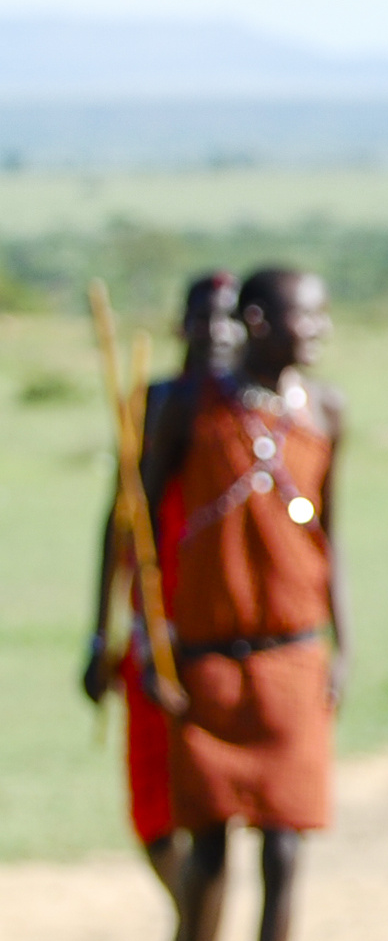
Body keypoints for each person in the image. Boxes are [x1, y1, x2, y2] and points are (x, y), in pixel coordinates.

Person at [146, 268, 351, 941]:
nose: (319, 329)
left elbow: (332, 534)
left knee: (287, 853)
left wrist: (345, 643)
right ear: (261, 322)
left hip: (294, 660)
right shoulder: (190, 408)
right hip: (205, 664)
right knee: (208, 854)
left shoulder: (326, 412)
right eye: (305, 316)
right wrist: (140, 638)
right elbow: (136, 521)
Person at [82, 272, 241, 902]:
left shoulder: (251, 411)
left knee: (211, 804)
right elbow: (120, 523)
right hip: (155, 627)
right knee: (153, 806)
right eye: (206, 317)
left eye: (232, 318)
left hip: (225, 633)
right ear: (183, 326)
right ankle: (191, 926)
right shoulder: (153, 403)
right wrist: (102, 634)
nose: (218, 332)